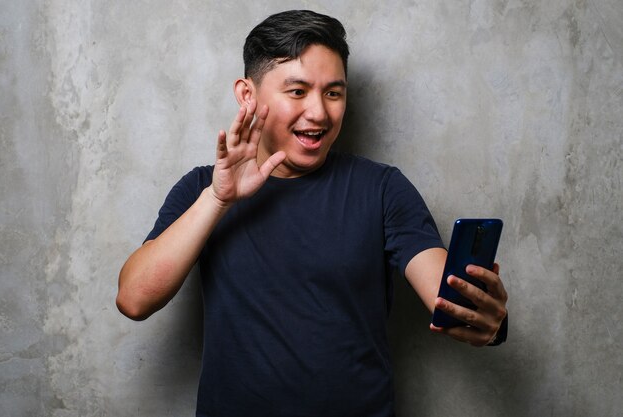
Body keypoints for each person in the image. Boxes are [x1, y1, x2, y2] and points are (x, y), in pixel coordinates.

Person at [116, 9, 508, 417]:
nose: (319, 113)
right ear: (248, 95)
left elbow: (446, 294)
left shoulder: (382, 189)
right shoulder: (202, 189)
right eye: (298, 91)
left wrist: (484, 317)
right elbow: (134, 299)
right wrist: (218, 199)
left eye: (333, 93)